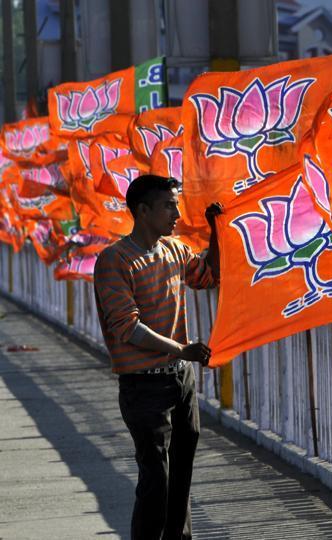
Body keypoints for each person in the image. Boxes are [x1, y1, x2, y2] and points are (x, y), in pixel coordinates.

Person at [93, 174, 222, 540]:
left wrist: (217, 231)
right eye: (168, 206)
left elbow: (209, 276)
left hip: (181, 380)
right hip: (144, 386)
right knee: (157, 481)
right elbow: (128, 327)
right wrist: (181, 349)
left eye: (176, 205)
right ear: (143, 211)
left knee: (181, 477)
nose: (176, 214)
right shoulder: (114, 260)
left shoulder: (175, 250)